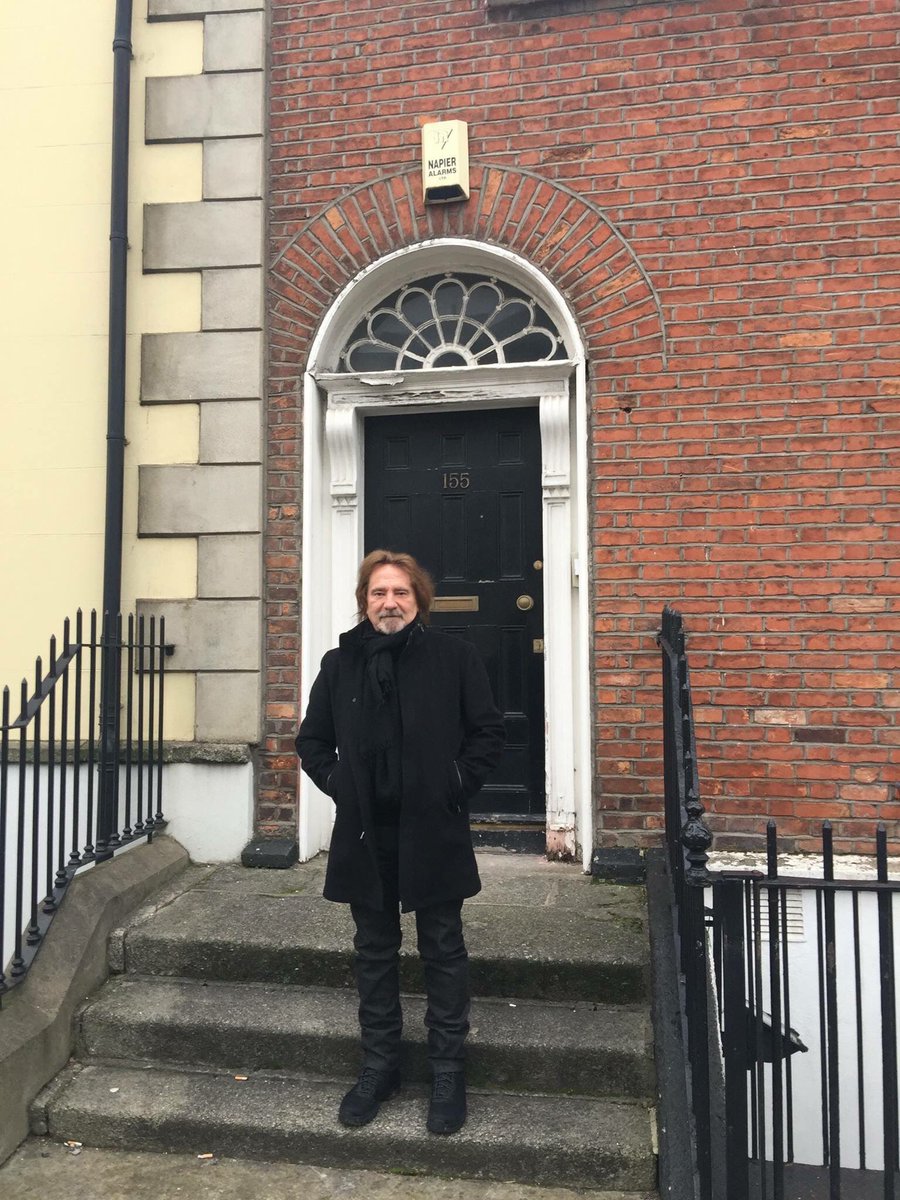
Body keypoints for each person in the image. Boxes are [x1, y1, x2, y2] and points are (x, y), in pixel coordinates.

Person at [295, 549, 505, 1135]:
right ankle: (381, 1064)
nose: (389, 603)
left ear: (420, 601)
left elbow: (487, 733)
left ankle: (446, 1068)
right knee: (374, 949)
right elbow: (312, 742)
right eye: (378, 593)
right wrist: (340, 785)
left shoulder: (455, 658)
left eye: (401, 593)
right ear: (364, 602)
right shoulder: (339, 664)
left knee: (442, 947)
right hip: (366, 831)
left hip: (432, 827)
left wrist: (455, 784)